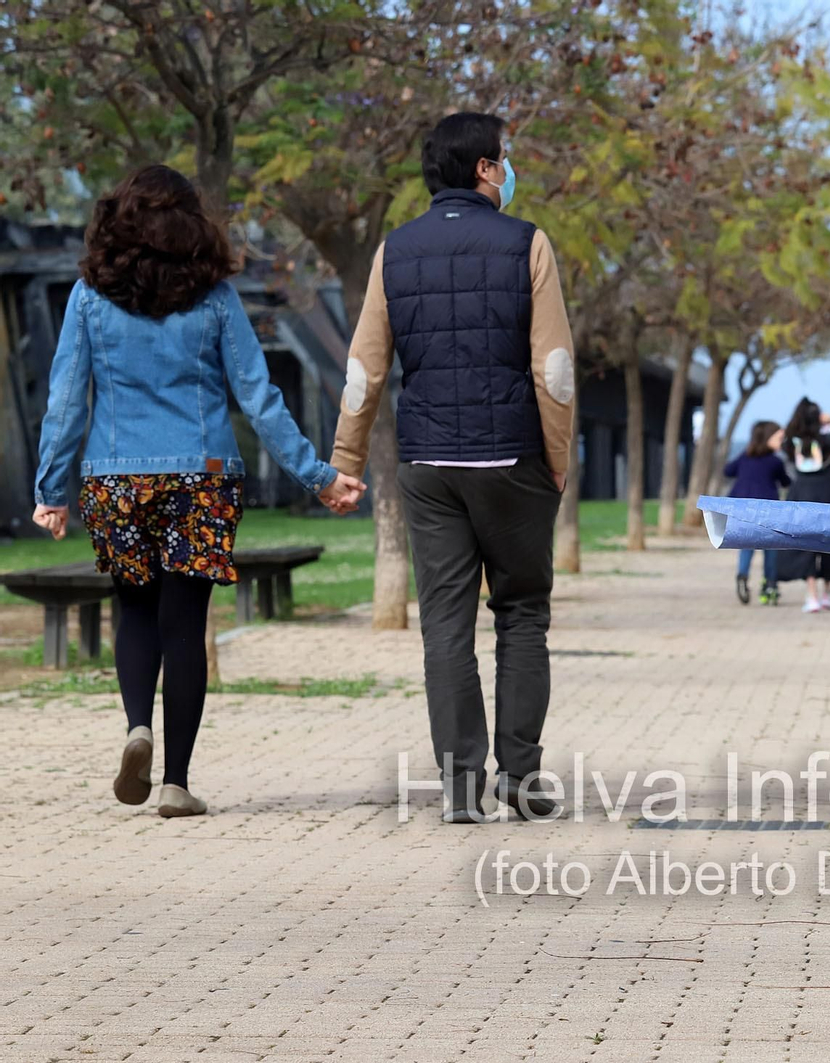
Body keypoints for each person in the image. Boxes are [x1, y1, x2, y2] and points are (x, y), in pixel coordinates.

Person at [31, 165, 364, 819]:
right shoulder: (214, 295)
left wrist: (51, 487)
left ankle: (137, 726)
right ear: (191, 220)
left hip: (115, 478)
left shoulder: (89, 296)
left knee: (134, 609)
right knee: (184, 624)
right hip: (202, 478)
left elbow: (65, 399)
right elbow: (258, 398)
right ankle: (175, 783)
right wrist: (318, 476)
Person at [329, 112, 576, 825]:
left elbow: (364, 369)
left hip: (428, 464)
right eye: (503, 157)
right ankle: (520, 777)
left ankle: (461, 786)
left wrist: (347, 460)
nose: (508, 166)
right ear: (484, 170)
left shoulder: (394, 250)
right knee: (521, 614)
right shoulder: (527, 242)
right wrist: (557, 461)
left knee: (444, 624)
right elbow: (555, 370)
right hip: (512, 460)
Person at [767, 398, 830, 612]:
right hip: (826, 492)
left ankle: (812, 595)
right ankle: (828, 592)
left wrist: (792, 425)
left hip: (800, 493)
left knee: (805, 541)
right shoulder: (828, 439)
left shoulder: (792, 442)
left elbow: (772, 442)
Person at [722, 421, 790, 605]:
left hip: (744, 510)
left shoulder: (745, 457)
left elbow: (728, 470)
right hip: (768, 510)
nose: (782, 442)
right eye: (779, 438)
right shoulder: (775, 462)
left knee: (747, 546)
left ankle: (742, 576)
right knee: (771, 548)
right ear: (768, 438)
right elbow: (785, 481)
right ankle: (770, 584)